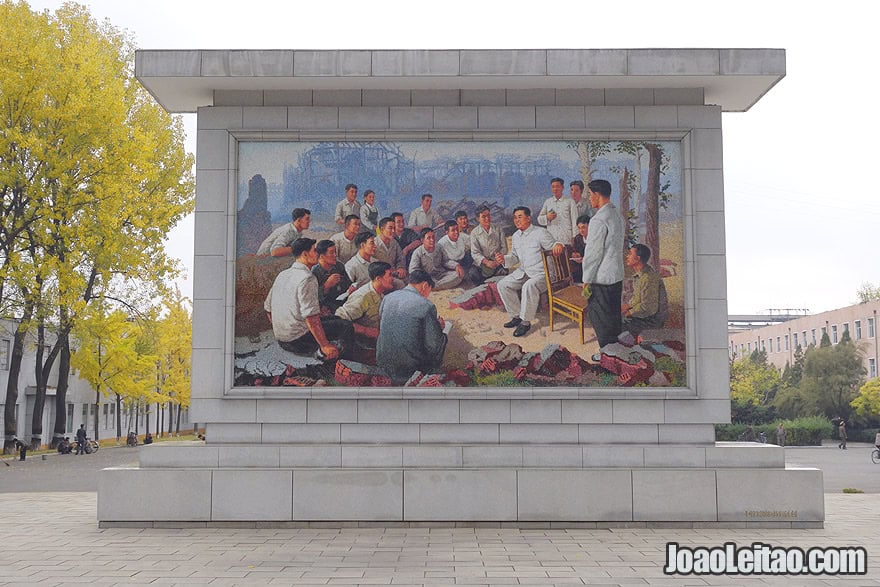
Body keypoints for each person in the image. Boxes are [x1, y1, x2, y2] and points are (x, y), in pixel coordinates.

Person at [264, 237, 354, 360]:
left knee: (335, 319)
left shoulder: (283, 274)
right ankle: (339, 361)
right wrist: (325, 345)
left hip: (281, 338)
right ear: (305, 254)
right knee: (346, 326)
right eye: (314, 251)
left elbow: (268, 310)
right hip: (298, 339)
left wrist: (284, 328)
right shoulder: (307, 278)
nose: (317, 254)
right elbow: (312, 319)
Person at [495, 206, 565, 338]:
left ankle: (525, 322)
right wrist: (503, 259)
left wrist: (558, 245)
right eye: (515, 217)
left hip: (543, 274)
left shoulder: (540, 233)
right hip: (524, 272)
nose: (516, 220)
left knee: (529, 285)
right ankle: (516, 316)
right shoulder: (516, 236)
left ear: (528, 218)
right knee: (502, 284)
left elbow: (555, 244)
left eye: (520, 217)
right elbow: (515, 257)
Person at [376, 270, 448, 384]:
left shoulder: (387, 298)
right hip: (410, 367)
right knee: (442, 338)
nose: (428, 295)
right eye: (429, 290)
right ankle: (430, 373)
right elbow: (433, 344)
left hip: (383, 361)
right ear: (425, 285)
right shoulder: (426, 305)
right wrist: (439, 328)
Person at [581, 179, 625, 357]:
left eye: (590, 195)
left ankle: (607, 354)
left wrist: (586, 280)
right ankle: (615, 350)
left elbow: (592, 254)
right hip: (616, 274)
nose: (589, 198)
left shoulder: (598, 219)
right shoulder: (616, 214)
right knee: (613, 315)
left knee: (600, 316)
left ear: (597, 195)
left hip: (602, 277)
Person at [336, 261, 395, 341]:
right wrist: (366, 331)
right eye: (389, 275)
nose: (393, 278)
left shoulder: (380, 294)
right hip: (362, 344)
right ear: (378, 279)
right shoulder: (362, 296)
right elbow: (340, 320)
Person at [621, 244, 668, 336]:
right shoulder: (640, 275)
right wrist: (627, 306)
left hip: (652, 320)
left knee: (614, 326)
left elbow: (648, 308)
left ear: (637, 258)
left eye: (630, 254)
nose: (627, 256)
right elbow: (637, 299)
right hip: (644, 316)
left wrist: (629, 312)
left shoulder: (649, 277)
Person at [468, 204, 508, 284]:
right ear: (478, 219)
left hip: (497, 262)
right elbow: (475, 253)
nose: (487, 218)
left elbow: (504, 248)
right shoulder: (474, 233)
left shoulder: (498, 229)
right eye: (483, 216)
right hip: (482, 264)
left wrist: (497, 260)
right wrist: (486, 262)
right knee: (473, 274)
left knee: (504, 272)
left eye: (488, 215)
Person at [312, 240, 353, 313]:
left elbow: (348, 284)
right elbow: (312, 298)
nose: (335, 255)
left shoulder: (339, 266)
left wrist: (351, 288)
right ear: (322, 256)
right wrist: (326, 286)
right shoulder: (314, 272)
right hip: (324, 308)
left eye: (335, 252)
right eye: (331, 253)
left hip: (343, 303)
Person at [537, 177, 578, 245]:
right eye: (553, 187)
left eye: (557, 186)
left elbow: (575, 220)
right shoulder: (548, 202)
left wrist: (575, 237)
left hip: (567, 239)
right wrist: (547, 217)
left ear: (562, 187)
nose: (555, 189)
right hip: (552, 240)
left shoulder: (570, 201)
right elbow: (539, 219)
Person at [373, 217, 407, 287]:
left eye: (394, 228)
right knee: (400, 284)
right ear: (382, 229)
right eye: (390, 228)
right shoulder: (373, 244)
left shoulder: (394, 242)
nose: (393, 231)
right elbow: (372, 265)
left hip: (395, 274)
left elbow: (400, 258)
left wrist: (400, 267)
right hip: (381, 278)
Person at [569, 214, 590, 283]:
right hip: (580, 268)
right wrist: (575, 255)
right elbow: (575, 251)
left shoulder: (594, 238)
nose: (581, 230)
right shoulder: (578, 238)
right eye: (579, 228)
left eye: (583, 227)